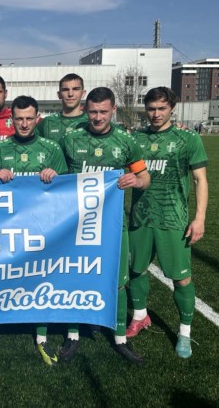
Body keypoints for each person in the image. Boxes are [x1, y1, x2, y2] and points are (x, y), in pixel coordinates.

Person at [59, 87, 151, 365]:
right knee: (75, 277)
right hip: (76, 223)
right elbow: (58, 175)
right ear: (85, 110)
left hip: (112, 223)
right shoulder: (71, 139)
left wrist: (136, 181)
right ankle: (73, 334)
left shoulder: (126, 141)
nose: (98, 117)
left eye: (103, 111)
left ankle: (120, 338)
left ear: (113, 110)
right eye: (93, 112)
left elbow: (145, 177)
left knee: (118, 281)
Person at [0, 95, 67, 365]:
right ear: (11, 120)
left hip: (42, 226)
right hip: (6, 227)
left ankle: (41, 336)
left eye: (29, 118)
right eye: (19, 119)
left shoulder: (51, 149)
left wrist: (56, 177)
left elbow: (68, 191)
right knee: (0, 275)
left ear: (37, 119)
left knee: (40, 277)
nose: (25, 124)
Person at [126, 87, 208, 359]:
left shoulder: (188, 138)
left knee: (181, 278)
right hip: (140, 217)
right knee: (136, 270)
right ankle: (140, 316)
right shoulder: (135, 139)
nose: (156, 114)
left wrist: (199, 218)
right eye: (151, 108)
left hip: (173, 219)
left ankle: (184, 332)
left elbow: (200, 179)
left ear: (172, 108)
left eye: (162, 108)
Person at [36, 73, 89, 143]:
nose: (70, 94)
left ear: (83, 93)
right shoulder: (47, 122)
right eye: (65, 90)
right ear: (59, 94)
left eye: (75, 89)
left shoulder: (91, 121)